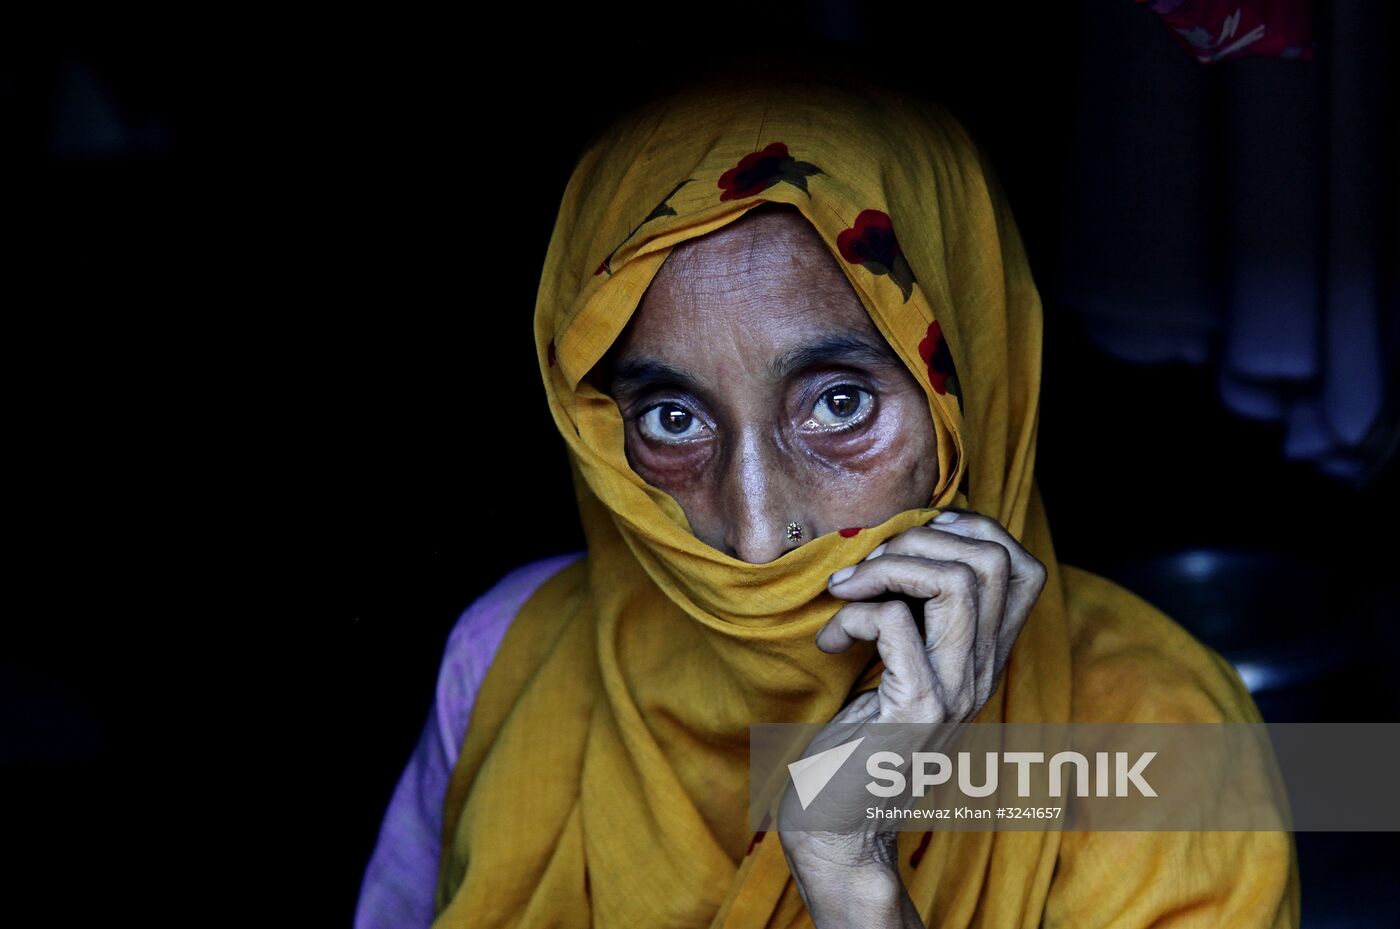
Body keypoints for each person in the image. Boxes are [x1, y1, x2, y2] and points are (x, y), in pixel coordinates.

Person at [357, 58, 1301, 928]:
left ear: (973, 384)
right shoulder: (506, 654)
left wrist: (848, 866)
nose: (762, 532)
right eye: (673, 419)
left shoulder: (1161, 732)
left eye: (840, 403)